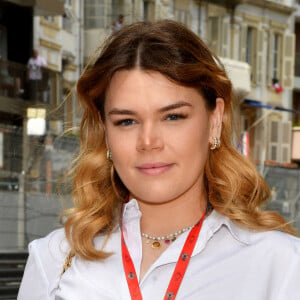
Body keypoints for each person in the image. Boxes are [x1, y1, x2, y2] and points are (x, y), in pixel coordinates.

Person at [18, 20, 300, 300]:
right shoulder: (54, 261)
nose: (148, 142)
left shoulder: (279, 265)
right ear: (105, 132)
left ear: (214, 121)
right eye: (127, 121)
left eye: (172, 117)